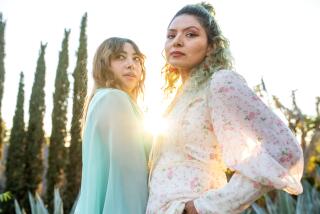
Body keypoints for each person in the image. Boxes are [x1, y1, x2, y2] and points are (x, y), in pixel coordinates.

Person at [147, 2, 304, 214]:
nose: (177, 41)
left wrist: (203, 207)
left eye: (190, 34)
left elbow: (285, 150)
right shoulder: (174, 99)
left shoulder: (220, 82)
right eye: (171, 35)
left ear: (211, 46)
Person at [74, 37, 149, 214]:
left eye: (136, 58)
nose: (131, 64)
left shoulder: (100, 99)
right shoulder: (115, 99)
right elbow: (128, 176)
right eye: (120, 57)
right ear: (103, 64)